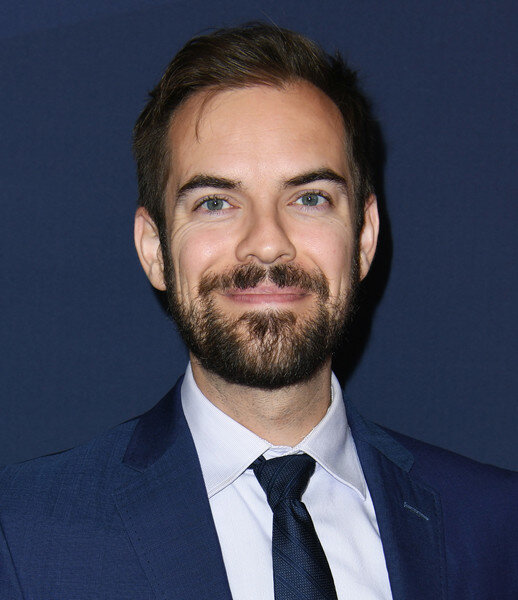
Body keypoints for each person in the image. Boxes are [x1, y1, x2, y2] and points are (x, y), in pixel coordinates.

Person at [0, 23, 516, 600]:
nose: (267, 243)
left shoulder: (498, 528)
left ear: (365, 237)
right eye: (216, 203)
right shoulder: (21, 536)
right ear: (154, 249)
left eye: (309, 198)